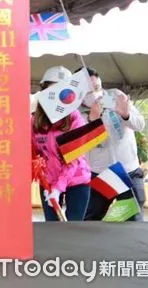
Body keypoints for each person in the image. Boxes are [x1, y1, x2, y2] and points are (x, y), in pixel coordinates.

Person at [76, 67, 146, 221]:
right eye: (88, 91)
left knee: (133, 221)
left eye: (97, 88)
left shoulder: (115, 96)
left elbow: (140, 124)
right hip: (100, 173)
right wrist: (91, 121)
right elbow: (78, 146)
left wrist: (125, 115)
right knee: (92, 221)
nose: (95, 94)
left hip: (128, 170)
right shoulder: (76, 112)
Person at [32, 66, 91, 221]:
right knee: (52, 230)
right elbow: (33, 153)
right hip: (48, 183)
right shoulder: (35, 121)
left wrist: (58, 188)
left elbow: (73, 159)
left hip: (76, 180)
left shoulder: (76, 120)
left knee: (73, 230)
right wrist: (44, 180)